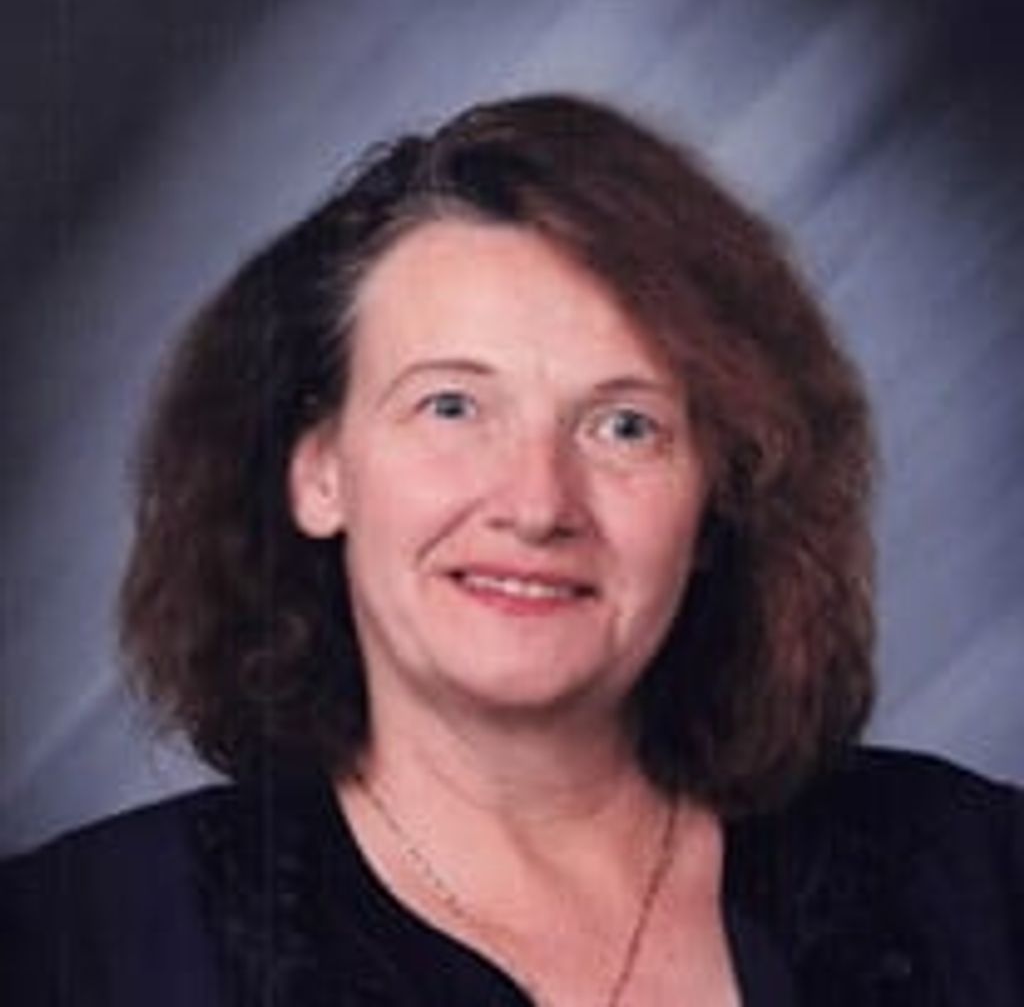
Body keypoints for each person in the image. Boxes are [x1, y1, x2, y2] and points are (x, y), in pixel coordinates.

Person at [2, 94, 1021, 1007]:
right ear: (318, 471)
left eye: (624, 426)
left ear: (720, 496)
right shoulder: (78, 949)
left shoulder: (975, 877)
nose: (538, 504)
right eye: (452, 407)